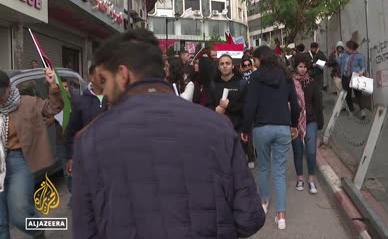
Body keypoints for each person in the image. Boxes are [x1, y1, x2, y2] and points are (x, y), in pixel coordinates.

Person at [72, 29, 265, 239]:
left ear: (123, 75)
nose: (104, 93)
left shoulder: (90, 140)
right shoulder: (219, 127)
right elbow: (249, 218)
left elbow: (86, 231)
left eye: (104, 82)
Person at [241, 46, 300, 230]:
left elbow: (250, 105)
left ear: (260, 59)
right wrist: (294, 125)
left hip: (261, 128)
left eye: (255, 59)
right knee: (280, 172)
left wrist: (245, 128)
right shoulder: (286, 75)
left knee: (264, 168)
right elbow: (295, 105)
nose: (254, 62)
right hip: (283, 127)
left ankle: (263, 203)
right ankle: (281, 215)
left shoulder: (256, 77)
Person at [0, 68, 63, 239]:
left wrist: (53, 87)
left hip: (18, 160)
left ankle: (38, 231)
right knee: (0, 222)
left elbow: (54, 107)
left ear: (8, 88)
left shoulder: (27, 103)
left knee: (20, 213)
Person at [65, 64, 108, 206]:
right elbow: (72, 131)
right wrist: (71, 157)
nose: (103, 77)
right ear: (91, 78)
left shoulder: (114, 98)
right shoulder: (81, 102)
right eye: (99, 74)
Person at [209, 54, 254, 168]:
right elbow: (207, 106)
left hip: (238, 130)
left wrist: (246, 131)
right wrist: (216, 109)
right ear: (218, 67)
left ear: (233, 66)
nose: (225, 66)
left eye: (227, 63)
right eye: (222, 64)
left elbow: (247, 107)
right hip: (219, 130)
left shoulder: (242, 83)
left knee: (238, 164)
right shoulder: (214, 84)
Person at [291, 54, 324, 194]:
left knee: (311, 151)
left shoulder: (312, 82)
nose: (303, 69)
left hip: (310, 121)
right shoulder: (289, 83)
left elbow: (318, 104)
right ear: (295, 67)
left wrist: (320, 123)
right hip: (294, 122)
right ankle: (300, 177)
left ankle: (311, 178)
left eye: (305, 66)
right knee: (297, 151)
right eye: (300, 66)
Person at [337, 40, 366, 119]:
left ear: (351, 48)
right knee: (347, 94)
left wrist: (362, 71)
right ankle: (351, 110)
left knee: (358, 94)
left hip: (355, 76)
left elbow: (363, 66)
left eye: (347, 47)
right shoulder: (344, 55)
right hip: (345, 76)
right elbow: (339, 62)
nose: (346, 48)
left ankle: (362, 110)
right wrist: (338, 56)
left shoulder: (359, 56)